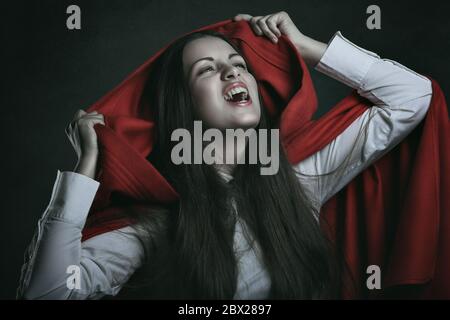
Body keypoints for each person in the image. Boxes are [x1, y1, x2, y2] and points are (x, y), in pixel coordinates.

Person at [17, 11, 432, 299]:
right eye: (206, 69)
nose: (233, 72)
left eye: (238, 63)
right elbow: (48, 292)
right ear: (183, 106)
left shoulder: (303, 178)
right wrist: (86, 168)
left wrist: (302, 46)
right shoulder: (152, 224)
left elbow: (411, 97)